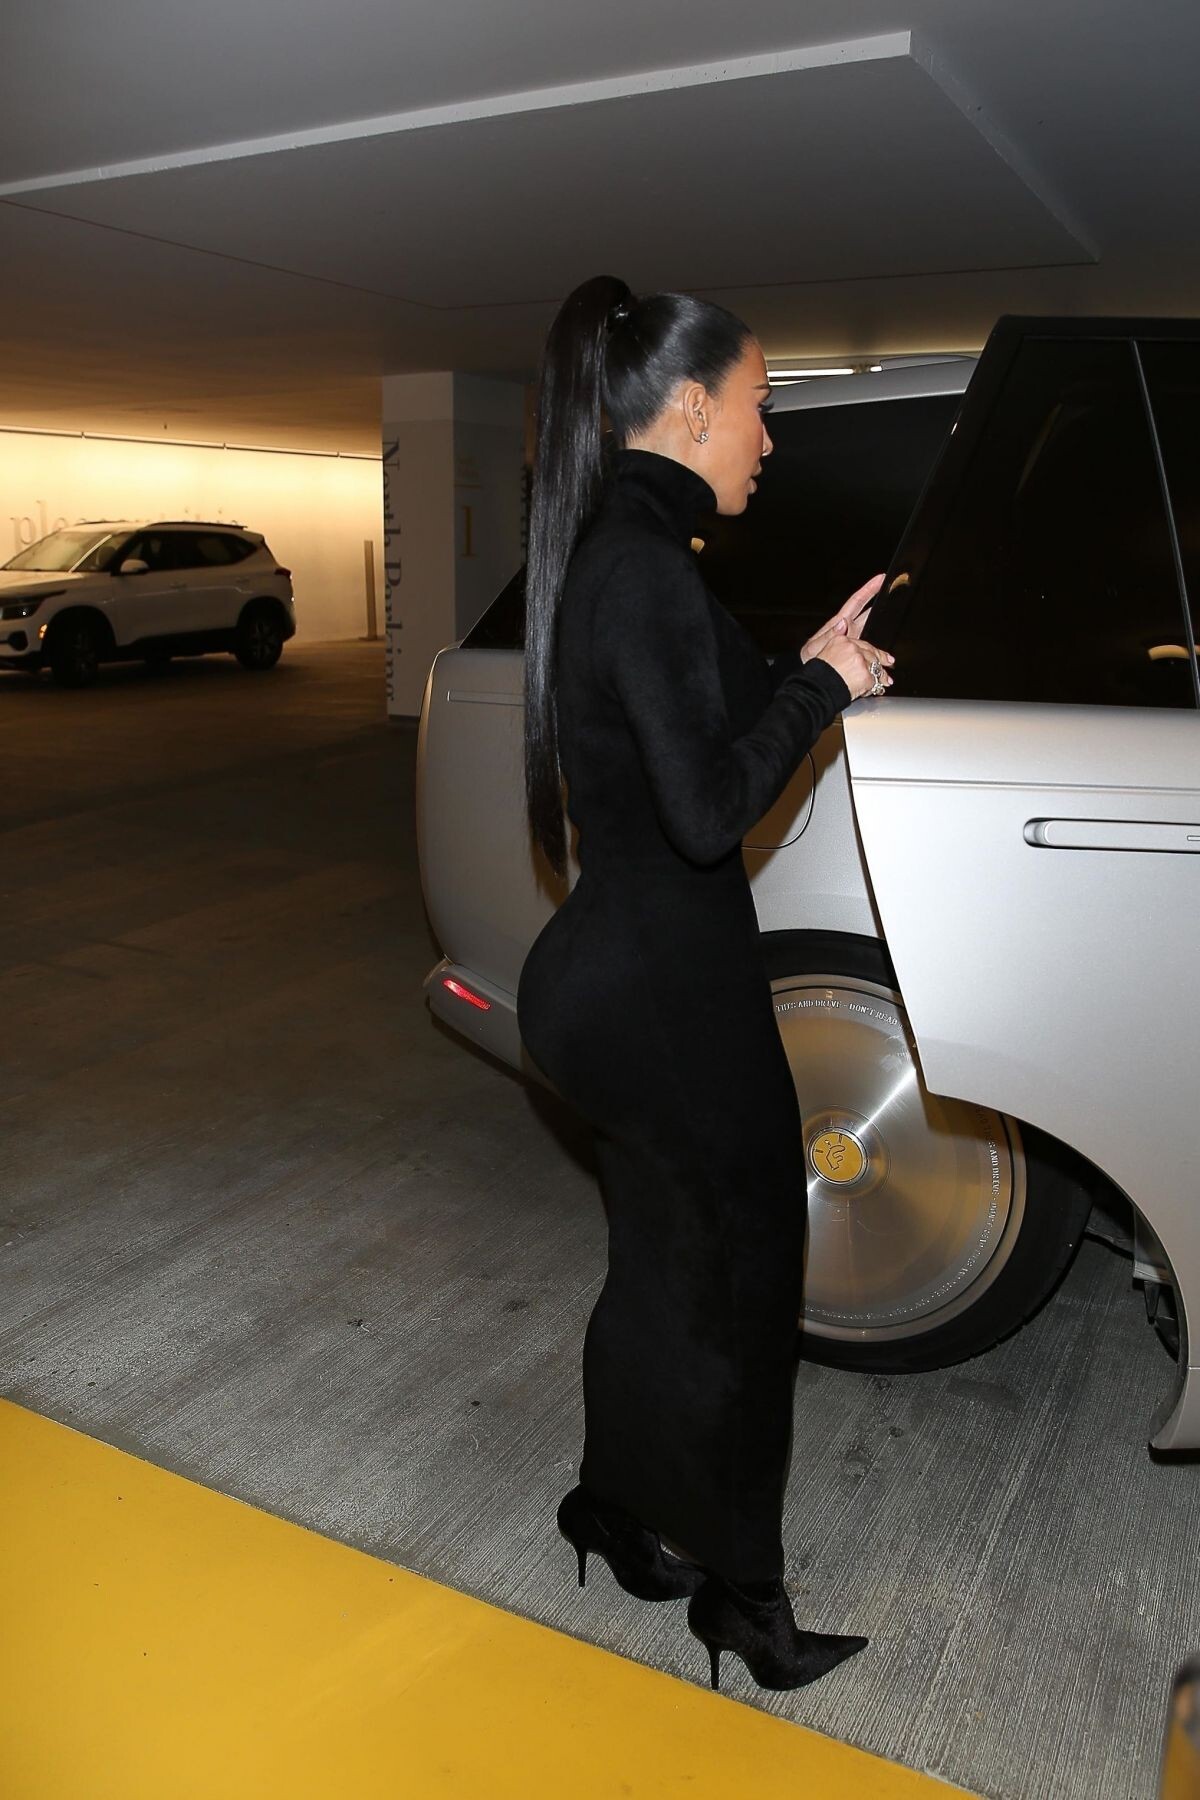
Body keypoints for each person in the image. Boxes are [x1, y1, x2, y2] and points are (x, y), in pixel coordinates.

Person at [516, 275, 892, 1693]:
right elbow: (707, 808)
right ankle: (745, 1600)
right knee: (739, 1291)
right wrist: (825, 695)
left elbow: (721, 702)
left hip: (606, 986)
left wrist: (812, 661)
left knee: (660, 1268)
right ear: (688, 409)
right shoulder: (645, 570)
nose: (769, 440)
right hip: (667, 1001)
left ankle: (616, 1511)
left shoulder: (615, 552)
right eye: (759, 408)